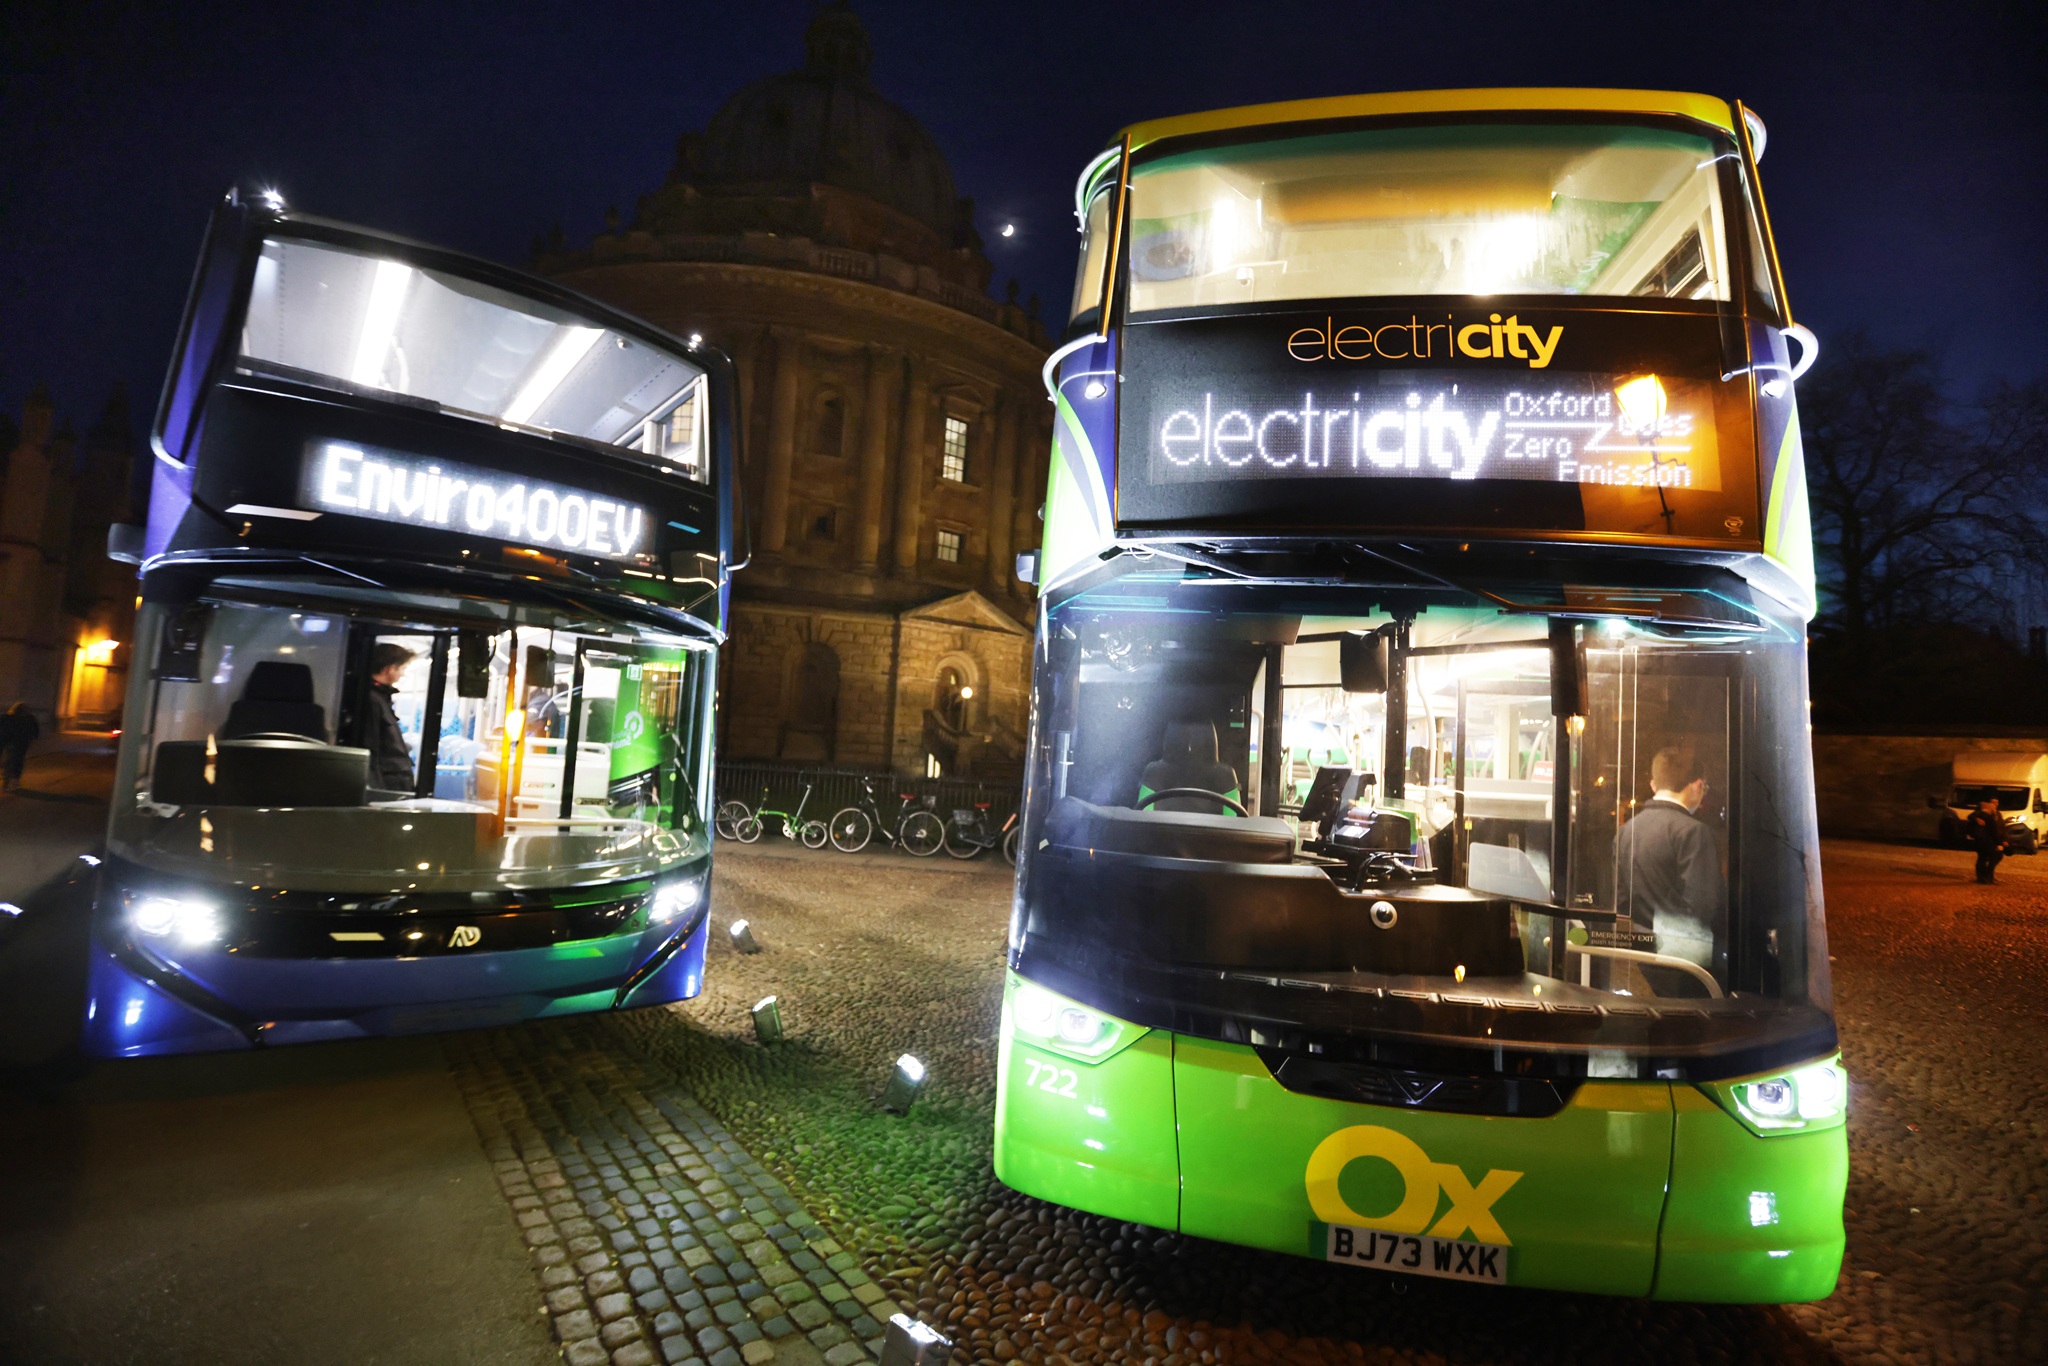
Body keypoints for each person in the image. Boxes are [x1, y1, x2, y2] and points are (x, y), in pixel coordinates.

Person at [1613, 747, 1724, 984]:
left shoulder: (1625, 831)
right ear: (1697, 785)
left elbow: (1621, 899)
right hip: (1688, 962)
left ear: (1654, 785)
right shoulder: (1693, 832)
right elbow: (1704, 906)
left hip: (1643, 954)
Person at [366, 644, 418, 793]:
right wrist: (376, 792)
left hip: (394, 783)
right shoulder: (373, 700)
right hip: (387, 786)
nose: (402, 674)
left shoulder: (381, 699)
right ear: (389, 669)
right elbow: (371, 749)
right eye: (402, 669)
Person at [1965, 794, 2008, 885]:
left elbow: (2001, 827)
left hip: (1993, 839)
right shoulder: (1981, 813)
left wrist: (2004, 839)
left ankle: (1987, 877)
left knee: (1989, 858)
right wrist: (1977, 819)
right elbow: (1971, 816)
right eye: (1993, 802)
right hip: (1986, 840)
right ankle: (1984, 877)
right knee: (1987, 858)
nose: (1995, 804)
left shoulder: (1997, 814)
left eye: (1997, 802)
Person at [0, 702, 39, 791]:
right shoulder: (29, 719)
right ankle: (14, 782)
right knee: (17, 761)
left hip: (7, 742)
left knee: (8, 761)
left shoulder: (6, 717)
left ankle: (6, 782)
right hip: (21, 744)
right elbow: (36, 731)